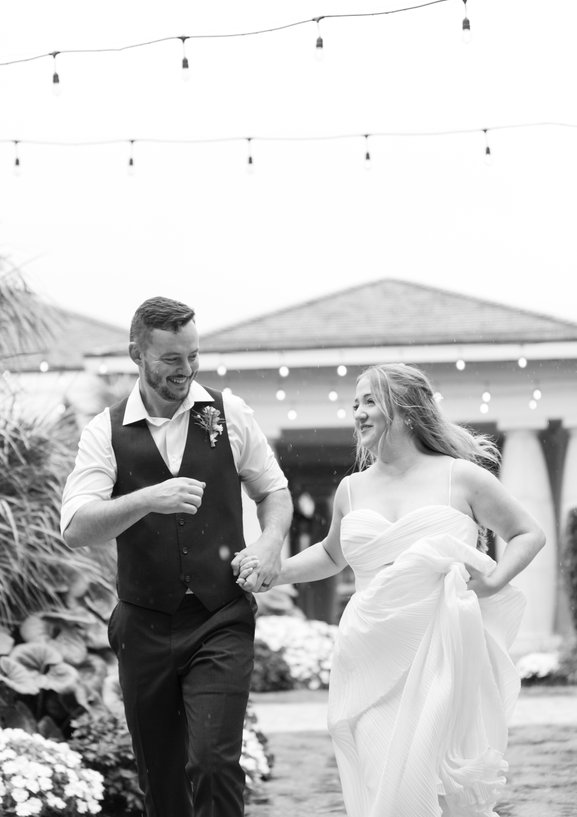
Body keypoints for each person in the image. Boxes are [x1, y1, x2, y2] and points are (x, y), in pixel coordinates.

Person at [238, 362, 546, 817]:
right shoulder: (351, 489)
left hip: (439, 647)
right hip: (368, 651)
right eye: (355, 403)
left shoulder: (461, 477)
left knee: (430, 774)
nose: (358, 413)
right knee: (380, 774)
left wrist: (495, 580)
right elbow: (330, 554)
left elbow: (528, 533)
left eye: (369, 401)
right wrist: (274, 573)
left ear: (405, 410)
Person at [61, 296, 292, 817]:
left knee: (213, 762)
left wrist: (269, 542)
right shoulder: (105, 431)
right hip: (143, 623)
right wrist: (147, 499)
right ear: (136, 354)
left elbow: (274, 491)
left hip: (220, 616)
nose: (185, 370)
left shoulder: (229, 413)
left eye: (192, 355)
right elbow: (75, 527)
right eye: (171, 359)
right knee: (160, 779)